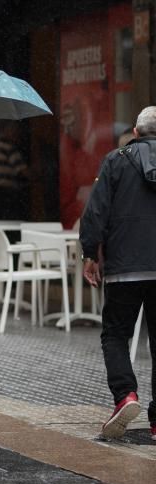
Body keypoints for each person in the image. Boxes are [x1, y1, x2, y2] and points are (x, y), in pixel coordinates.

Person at [80, 106, 156, 441]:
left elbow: (96, 211)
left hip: (124, 267)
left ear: (136, 133)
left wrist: (89, 252)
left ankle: (126, 394)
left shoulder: (115, 160)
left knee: (115, 334)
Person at [0, 120, 29, 220]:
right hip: (5, 192)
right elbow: (23, 171)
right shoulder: (9, 148)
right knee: (7, 219)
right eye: (15, 129)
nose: (18, 132)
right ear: (7, 130)